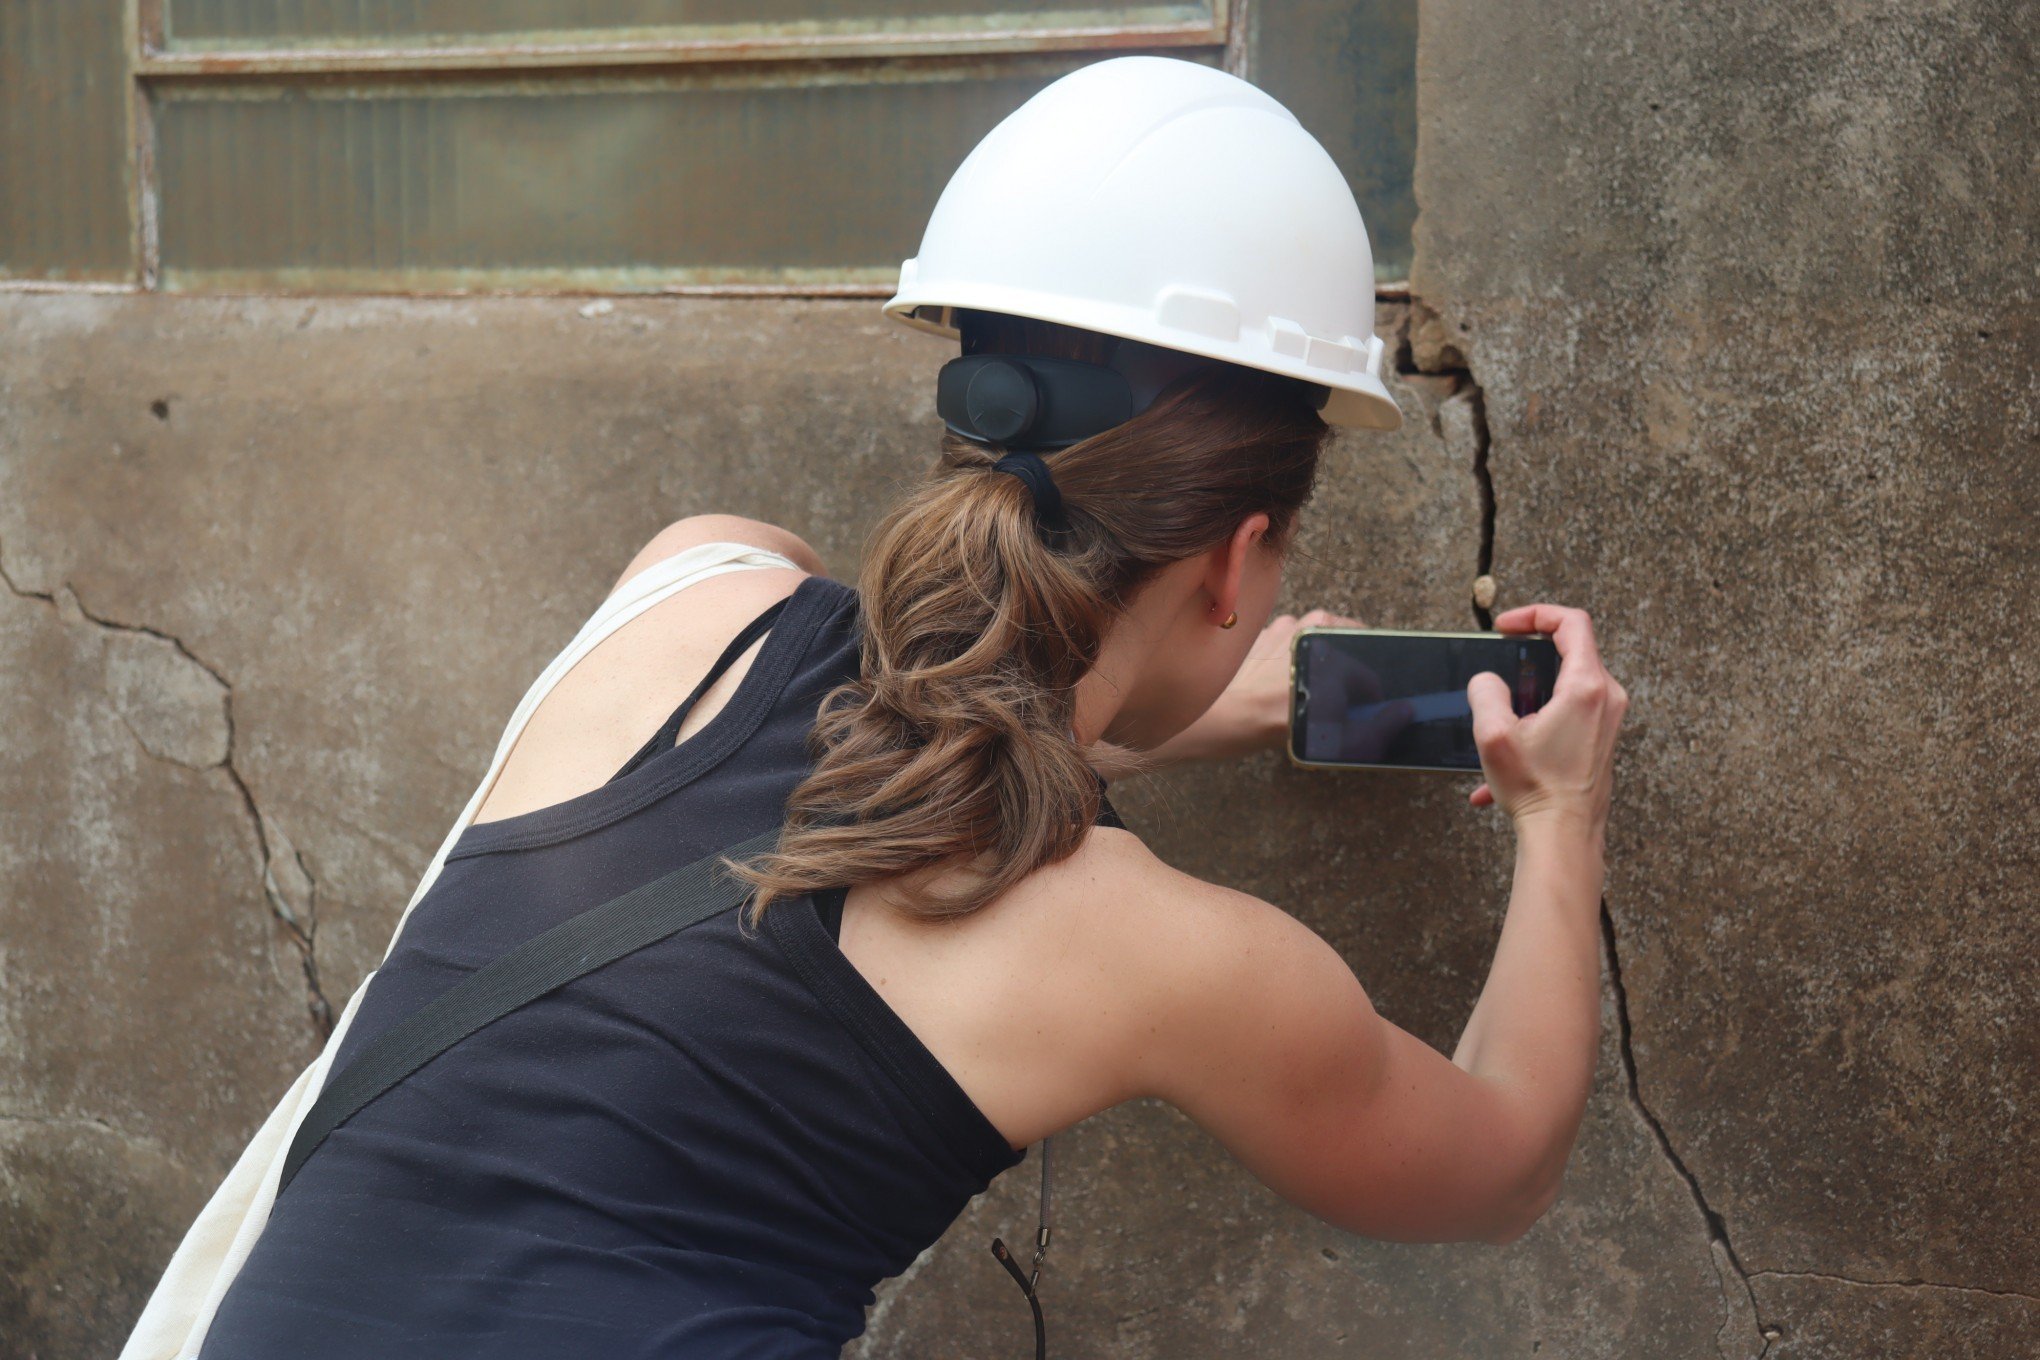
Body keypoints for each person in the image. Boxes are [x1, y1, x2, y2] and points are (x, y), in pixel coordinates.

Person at [188, 56, 1626, 1360]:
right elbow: (1497, 1169)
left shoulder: (693, 587)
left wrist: (1165, 706)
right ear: (1241, 557)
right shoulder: (1161, 954)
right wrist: (1561, 814)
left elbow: (911, 699)